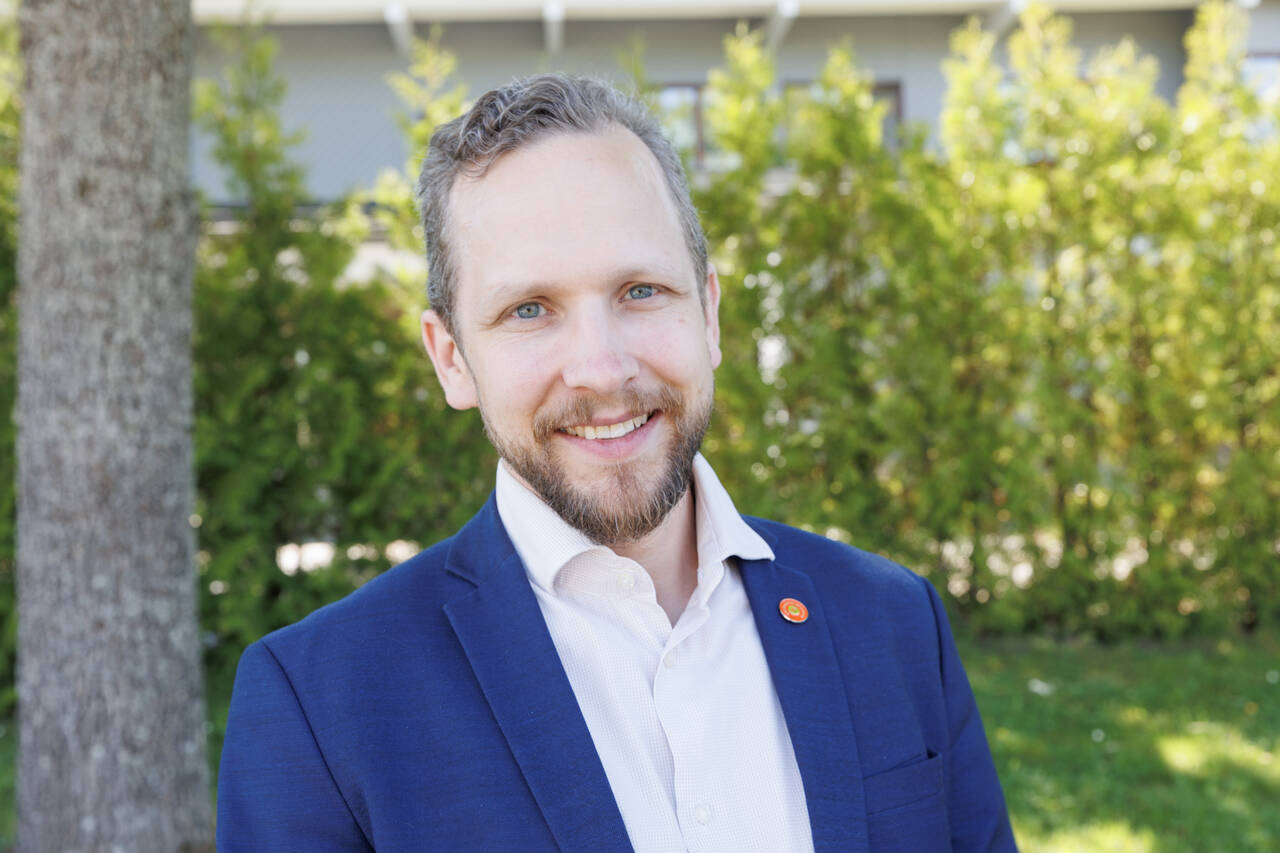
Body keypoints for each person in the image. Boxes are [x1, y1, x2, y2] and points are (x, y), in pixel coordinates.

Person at [217, 73, 1017, 852]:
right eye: (530, 309)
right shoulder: (319, 706)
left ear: (709, 314)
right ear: (451, 358)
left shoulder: (894, 622)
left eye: (640, 290)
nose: (601, 369)